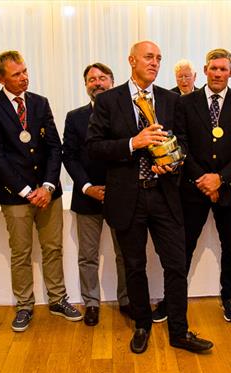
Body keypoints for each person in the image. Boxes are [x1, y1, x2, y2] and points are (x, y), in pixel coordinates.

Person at [87, 40, 213, 354]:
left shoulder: (172, 101)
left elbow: (183, 143)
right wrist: (133, 142)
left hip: (165, 195)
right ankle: (142, 325)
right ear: (131, 60)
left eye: (158, 58)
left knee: (176, 265)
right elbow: (94, 147)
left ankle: (180, 332)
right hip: (128, 196)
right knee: (134, 265)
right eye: (148, 57)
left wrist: (173, 160)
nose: (154, 63)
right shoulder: (109, 101)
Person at [0, 50, 81, 332]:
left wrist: (48, 186)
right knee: (21, 252)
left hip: (49, 192)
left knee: (53, 248)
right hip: (16, 195)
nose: (24, 78)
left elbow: (54, 147)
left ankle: (58, 299)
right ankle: (24, 305)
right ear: (1, 78)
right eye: (16, 74)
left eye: (25, 71)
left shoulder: (40, 103)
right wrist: (27, 191)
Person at [174, 48, 231, 322]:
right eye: (214, 68)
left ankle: (230, 298)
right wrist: (204, 179)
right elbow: (181, 144)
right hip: (193, 187)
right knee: (183, 246)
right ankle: (173, 299)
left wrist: (220, 178)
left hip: (229, 189)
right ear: (205, 70)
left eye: (223, 69)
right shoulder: (185, 103)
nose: (218, 73)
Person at [61, 62, 130, 326]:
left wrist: (115, 187)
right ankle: (91, 303)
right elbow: (70, 156)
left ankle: (126, 300)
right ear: (86, 85)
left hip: (121, 194)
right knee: (87, 256)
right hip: (87, 196)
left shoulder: (126, 114)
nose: (97, 83)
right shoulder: (74, 117)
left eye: (102, 78)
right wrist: (87, 187)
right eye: (91, 79)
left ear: (112, 81)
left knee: (125, 253)